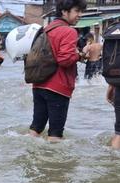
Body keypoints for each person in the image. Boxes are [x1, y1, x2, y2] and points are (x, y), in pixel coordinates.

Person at [28, 0, 87, 141]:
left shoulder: (46, 29)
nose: (80, 15)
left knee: (36, 128)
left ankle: (32, 159)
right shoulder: (69, 31)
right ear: (64, 12)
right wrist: (81, 54)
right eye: (76, 11)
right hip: (58, 87)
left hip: (38, 85)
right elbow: (65, 60)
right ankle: (52, 163)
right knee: (55, 133)